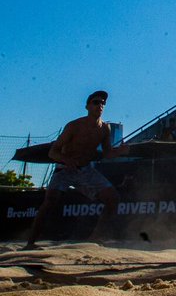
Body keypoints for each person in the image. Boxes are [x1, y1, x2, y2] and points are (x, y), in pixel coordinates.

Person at [25, 90, 129, 248]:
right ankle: (30, 243)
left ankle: (95, 237)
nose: (100, 105)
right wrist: (67, 160)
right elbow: (53, 151)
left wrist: (119, 152)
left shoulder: (104, 128)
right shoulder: (74, 126)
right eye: (96, 102)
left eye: (103, 103)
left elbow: (107, 154)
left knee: (113, 198)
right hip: (64, 169)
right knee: (50, 202)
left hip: (85, 170)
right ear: (87, 106)